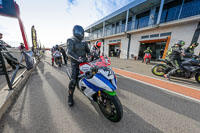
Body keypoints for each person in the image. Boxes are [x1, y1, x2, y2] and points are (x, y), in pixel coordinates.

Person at [67, 25, 91, 106]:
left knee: (93, 74)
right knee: (73, 80)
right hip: (75, 63)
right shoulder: (71, 40)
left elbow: (88, 51)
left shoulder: (84, 42)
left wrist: (90, 55)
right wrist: (77, 58)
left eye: (81, 32)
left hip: (85, 62)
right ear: (74, 32)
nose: (80, 33)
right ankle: (70, 96)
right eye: (78, 32)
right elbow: (69, 52)